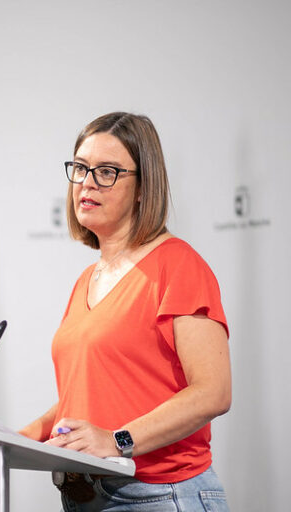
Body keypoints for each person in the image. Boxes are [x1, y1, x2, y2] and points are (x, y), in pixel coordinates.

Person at [19, 112, 232, 511]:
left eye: (107, 172)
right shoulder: (88, 279)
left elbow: (213, 392)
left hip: (159, 495)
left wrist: (118, 440)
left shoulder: (179, 265)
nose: (87, 182)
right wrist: (12, 438)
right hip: (86, 497)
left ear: (142, 187)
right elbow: (85, 398)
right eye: (80, 168)